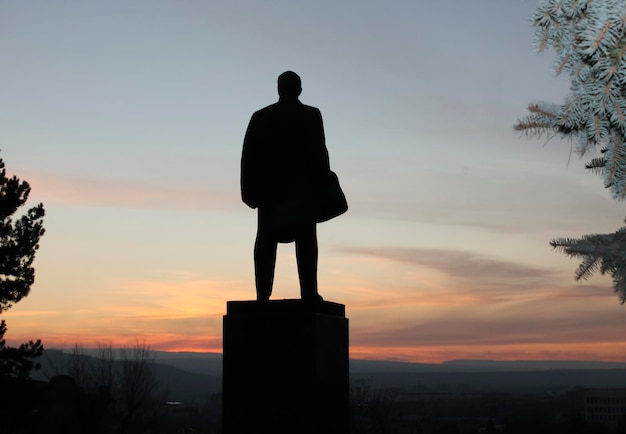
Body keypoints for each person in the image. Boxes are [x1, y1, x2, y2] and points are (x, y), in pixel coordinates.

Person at [241, 71, 330, 302]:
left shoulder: (261, 117)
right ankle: (308, 292)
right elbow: (320, 154)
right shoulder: (311, 115)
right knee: (305, 241)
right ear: (299, 90)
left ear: (279, 89)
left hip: (271, 193)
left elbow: (247, 157)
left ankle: (262, 295)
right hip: (300, 192)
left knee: (266, 242)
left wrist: (249, 192)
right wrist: (324, 187)